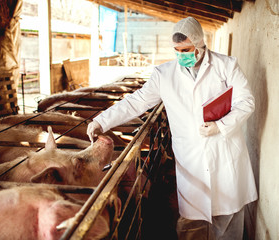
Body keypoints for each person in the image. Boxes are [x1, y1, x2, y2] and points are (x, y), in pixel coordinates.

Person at [87, 16, 257, 240]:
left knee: (228, 220)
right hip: (190, 159)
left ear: (199, 45)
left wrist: (220, 125)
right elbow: (135, 102)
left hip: (223, 152)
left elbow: (246, 102)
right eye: (176, 50)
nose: (180, 55)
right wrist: (101, 120)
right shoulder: (164, 75)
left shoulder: (226, 66)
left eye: (185, 49)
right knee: (191, 222)